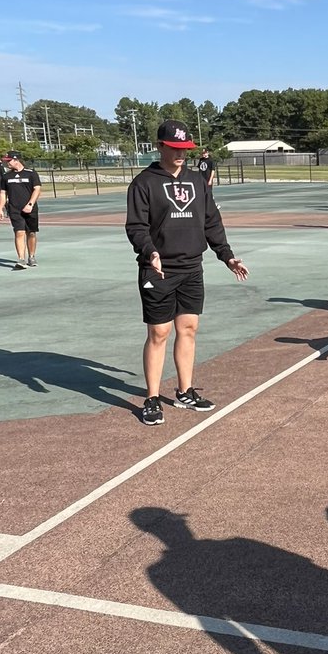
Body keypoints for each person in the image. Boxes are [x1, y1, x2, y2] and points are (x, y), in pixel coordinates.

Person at [125, 119, 249, 427]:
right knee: (159, 333)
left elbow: (211, 221)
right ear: (160, 146)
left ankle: (184, 391)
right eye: (175, 148)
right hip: (158, 270)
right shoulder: (144, 183)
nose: (181, 154)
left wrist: (227, 256)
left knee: (189, 328)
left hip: (192, 267)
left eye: (185, 149)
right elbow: (136, 226)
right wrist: (150, 252)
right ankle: (152, 398)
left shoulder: (197, 181)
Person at [0, 149, 42, 269]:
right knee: (19, 232)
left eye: (9, 160)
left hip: (30, 209)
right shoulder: (6, 176)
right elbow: (3, 193)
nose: (7, 163)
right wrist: (0, 208)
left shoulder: (31, 173)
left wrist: (30, 204)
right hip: (14, 209)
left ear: (16, 160)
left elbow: (37, 189)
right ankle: (21, 259)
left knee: (31, 233)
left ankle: (31, 256)